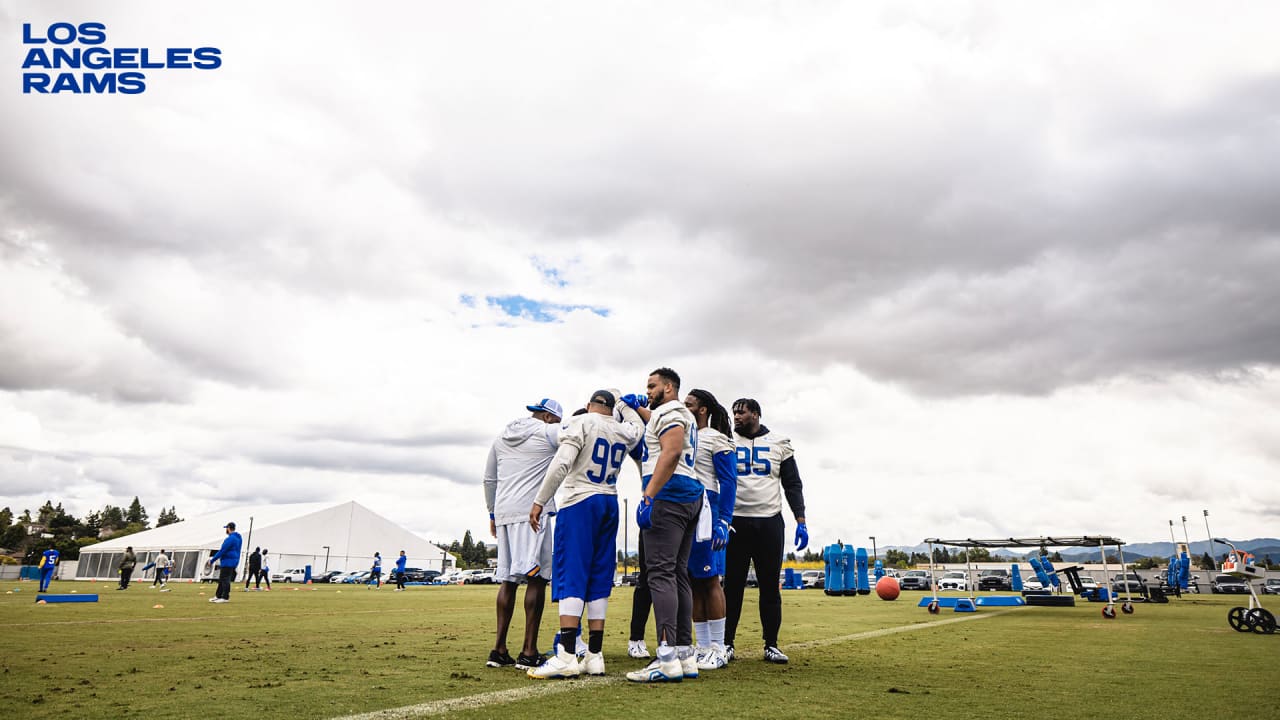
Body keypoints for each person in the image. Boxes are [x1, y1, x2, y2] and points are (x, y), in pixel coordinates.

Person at [526, 390, 644, 679]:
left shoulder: (581, 422)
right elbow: (638, 429)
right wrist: (626, 406)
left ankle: (566, 653)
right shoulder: (623, 429)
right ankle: (594, 654)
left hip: (580, 500)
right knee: (598, 577)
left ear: (590, 404)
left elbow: (562, 463)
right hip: (609, 501)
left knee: (572, 575)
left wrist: (540, 500)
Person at [625, 368, 704, 684]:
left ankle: (668, 656)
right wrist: (639, 409)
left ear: (669, 387)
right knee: (677, 574)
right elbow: (661, 430)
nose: (647, 390)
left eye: (652, 385)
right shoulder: (676, 412)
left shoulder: (670, 411)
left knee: (659, 574)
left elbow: (670, 451)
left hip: (668, 496)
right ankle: (685, 655)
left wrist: (648, 495)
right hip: (688, 494)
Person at [724, 398, 809, 664]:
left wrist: (801, 520)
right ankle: (726, 643)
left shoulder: (779, 443)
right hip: (735, 521)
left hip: (769, 521)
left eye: (742, 412)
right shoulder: (725, 440)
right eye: (734, 412)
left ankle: (771, 644)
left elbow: (792, 484)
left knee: (770, 586)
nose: (736, 416)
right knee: (732, 586)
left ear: (756, 414)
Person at [482, 397, 564, 670]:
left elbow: (489, 479)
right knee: (537, 578)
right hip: (533, 513)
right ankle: (529, 651)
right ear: (550, 417)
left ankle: (499, 649)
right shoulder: (549, 431)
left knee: (507, 580)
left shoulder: (501, 437)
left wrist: (492, 513)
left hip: (505, 511)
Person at [684, 389, 737, 670]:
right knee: (693, 580)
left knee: (710, 579)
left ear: (702, 410)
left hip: (708, 508)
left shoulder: (716, 439)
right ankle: (702, 646)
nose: (684, 407)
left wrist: (724, 521)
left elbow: (729, 482)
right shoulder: (681, 435)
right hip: (685, 506)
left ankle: (718, 646)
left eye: (689, 404)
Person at [208, 522, 243, 603]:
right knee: (222, 579)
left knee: (225, 579)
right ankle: (218, 596)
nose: (226, 530)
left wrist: (212, 560)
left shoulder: (230, 539)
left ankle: (225, 597)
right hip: (233, 561)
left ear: (229, 528)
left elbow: (222, 551)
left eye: (226, 528)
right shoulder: (238, 538)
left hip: (228, 562)